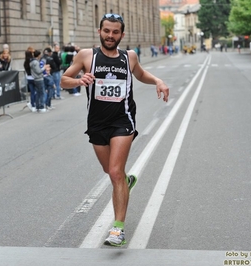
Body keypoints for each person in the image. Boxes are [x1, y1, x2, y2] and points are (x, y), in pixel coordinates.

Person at [60, 13, 169, 247]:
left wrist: (158, 81)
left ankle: (117, 229)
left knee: (115, 172)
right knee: (110, 171)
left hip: (123, 120)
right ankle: (126, 181)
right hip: (97, 124)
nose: (110, 36)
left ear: (122, 34)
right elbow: (63, 80)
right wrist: (79, 81)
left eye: (115, 32)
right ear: (100, 31)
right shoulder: (86, 56)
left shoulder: (129, 57)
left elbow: (140, 74)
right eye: (106, 31)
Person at [24, 47, 37, 112]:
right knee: (36, 91)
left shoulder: (25, 62)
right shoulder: (32, 61)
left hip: (29, 77)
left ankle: (33, 105)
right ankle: (35, 104)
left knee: (32, 92)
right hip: (34, 77)